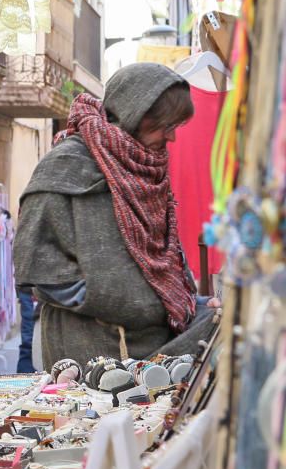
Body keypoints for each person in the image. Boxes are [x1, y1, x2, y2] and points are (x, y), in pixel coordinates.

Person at [14, 63, 220, 368]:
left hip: (158, 346)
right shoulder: (66, 165)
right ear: (135, 114)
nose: (172, 139)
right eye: (165, 126)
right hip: (89, 351)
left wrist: (191, 304)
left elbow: (161, 261)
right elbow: (39, 267)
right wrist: (122, 299)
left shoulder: (147, 169)